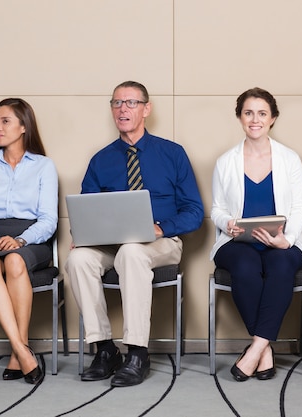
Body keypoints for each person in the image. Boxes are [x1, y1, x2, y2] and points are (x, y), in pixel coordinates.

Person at [65, 80, 203, 387]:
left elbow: (194, 211)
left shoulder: (172, 153)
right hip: (110, 244)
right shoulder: (101, 159)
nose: (122, 109)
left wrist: (160, 228)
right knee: (78, 259)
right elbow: (85, 209)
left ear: (146, 109)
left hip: (161, 242)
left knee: (132, 251)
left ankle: (138, 352)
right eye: (116, 103)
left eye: (130, 103)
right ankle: (104, 349)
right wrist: (83, 233)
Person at [210, 88, 302, 382]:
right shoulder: (225, 161)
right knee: (244, 266)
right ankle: (264, 349)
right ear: (240, 117)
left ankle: (254, 350)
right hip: (237, 243)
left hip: (283, 241)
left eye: (262, 113)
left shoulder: (289, 159)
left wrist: (287, 239)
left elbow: (301, 208)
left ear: (273, 118)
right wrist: (227, 223)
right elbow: (216, 209)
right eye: (248, 113)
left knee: (280, 266)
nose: (255, 119)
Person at [0, 98, 58, 385]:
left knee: (16, 261)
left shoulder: (43, 166)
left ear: (23, 127)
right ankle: (21, 349)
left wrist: (20, 239)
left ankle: (19, 352)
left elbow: (48, 220)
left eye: (5, 121)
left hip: (31, 239)